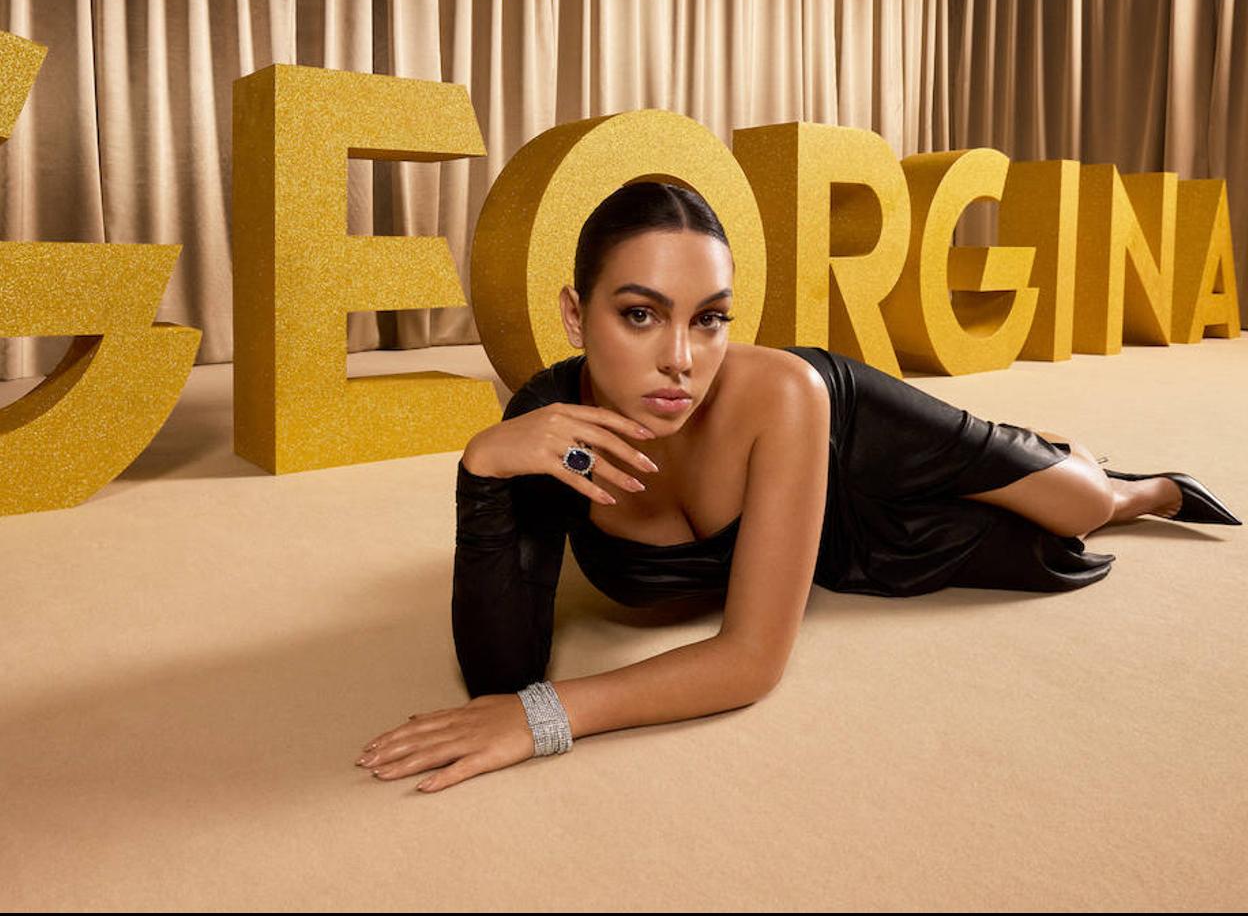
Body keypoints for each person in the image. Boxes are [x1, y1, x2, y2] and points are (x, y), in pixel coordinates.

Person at [355, 181, 1240, 792]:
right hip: (830, 541)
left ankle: (1132, 484)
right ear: (574, 315)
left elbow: (750, 660)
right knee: (1023, 551)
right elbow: (500, 671)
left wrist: (547, 718)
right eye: (640, 314)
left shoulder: (782, 391)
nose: (680, 359)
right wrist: (480, 470)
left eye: (710, 320)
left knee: (1078, 506)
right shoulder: (548, 438)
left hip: (849, 432)